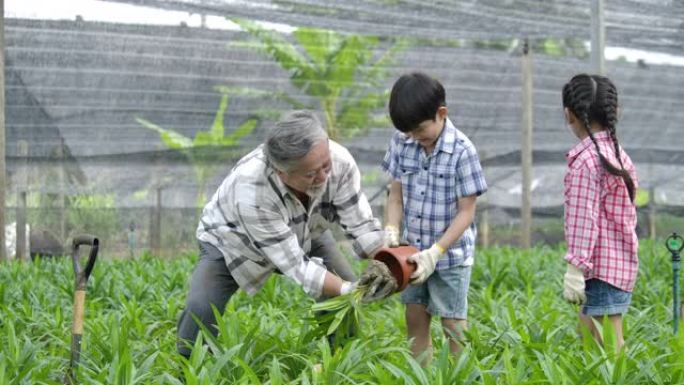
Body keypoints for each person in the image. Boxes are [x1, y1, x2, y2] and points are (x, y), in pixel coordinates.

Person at [177, 110, 397, 358]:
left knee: (343, 300)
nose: (324, 176)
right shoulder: (251, 190)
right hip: (233, 242)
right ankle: (189, 370)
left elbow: (361, 225)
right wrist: (351, 289)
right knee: (201, 307)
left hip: (308, 230)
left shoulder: (339, 161)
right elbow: (298, 267)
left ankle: (340, 362)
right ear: (282, 173)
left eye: (325, 165)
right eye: (312, 173)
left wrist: (388, 262)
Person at [381, 72, 487, 364]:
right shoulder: (402, 142)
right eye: (408, 132)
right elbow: (395, 195)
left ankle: (458, 376)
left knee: (453, 324)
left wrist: (436, 252)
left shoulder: (462, 151)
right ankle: (419, 376)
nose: (414, 137)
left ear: (441, 114)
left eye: (419, 129)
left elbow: (467, 212)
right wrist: (391, 227)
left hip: (450, 257)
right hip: (411, 255)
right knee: (414, 318)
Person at [561, 74, 638, 351]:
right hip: (617, 263)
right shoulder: (618, 154)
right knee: (592, 334)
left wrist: (575, 267)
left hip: (600, 267)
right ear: (614, 112)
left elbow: (583, 218)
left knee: (609, 344)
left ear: (569, 114)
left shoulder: (586, 161)